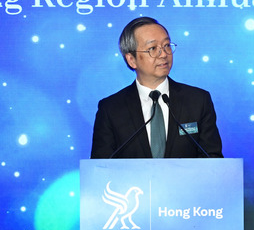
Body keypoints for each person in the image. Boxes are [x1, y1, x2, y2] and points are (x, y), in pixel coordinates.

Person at [90, 16, 223, 159]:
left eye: (166, 45)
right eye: (152, 48)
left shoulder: (198, 101)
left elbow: (213, 160)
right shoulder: (110, 109)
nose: (164, 54)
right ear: (131, 59)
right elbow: (101, 166)